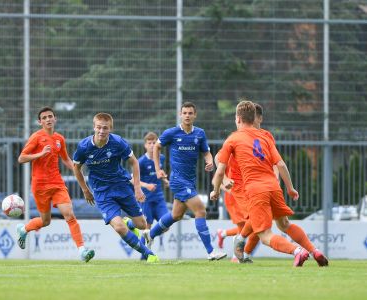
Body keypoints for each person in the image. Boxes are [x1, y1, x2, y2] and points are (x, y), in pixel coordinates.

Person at [211, 100, 328, 267]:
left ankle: (296, 251)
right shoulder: (265, 137)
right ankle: (314, 250)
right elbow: (280, 164)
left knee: (264, 234)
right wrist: (290, 188)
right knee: (284, 224)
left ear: (237, 119)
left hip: (253, 188)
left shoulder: (234, 139)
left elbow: (219, 165)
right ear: (255, 118)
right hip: (272, 186)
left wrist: (217, 188)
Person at [142, 102, 227, 261]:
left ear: (195, 115)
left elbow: (206, 152)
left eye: (190, 113)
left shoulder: (200, 134)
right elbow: (157, 147)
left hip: (190, 180)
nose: (187, 115)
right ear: (180, 115)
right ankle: (210, 251)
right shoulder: (172, 133)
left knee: (176, 215)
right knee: (200, 211)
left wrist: (210, 162)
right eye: (185, 113)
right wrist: (158, 168)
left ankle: (150, 234)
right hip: (178, 180)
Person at [72, 113, 159, 263]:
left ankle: (129, 223)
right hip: (102, 193)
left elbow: (134, 162)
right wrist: (86, 190)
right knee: (118, 227)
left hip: (122, 186)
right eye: (98, 127)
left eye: (105, 128)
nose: (101, 131)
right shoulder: (84, 146)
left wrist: (137, 188)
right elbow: (76, 167)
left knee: (142, 224)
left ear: (110, 129)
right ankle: (149, 254)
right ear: (94, 127)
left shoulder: (118, 142)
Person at [16, 106, 95, 262]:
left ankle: (82, 250)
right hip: (39, 186)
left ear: (55, 119)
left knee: (69, 215)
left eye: (50, 116)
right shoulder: (36, 137)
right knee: (45, 221)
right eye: (44, 118)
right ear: (40, 122)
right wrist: (40, 154)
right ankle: (24, 229)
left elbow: (65, 158)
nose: (48, 119)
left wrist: (77, 169)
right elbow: (21, 158)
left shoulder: (60, 139)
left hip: (57, 183)